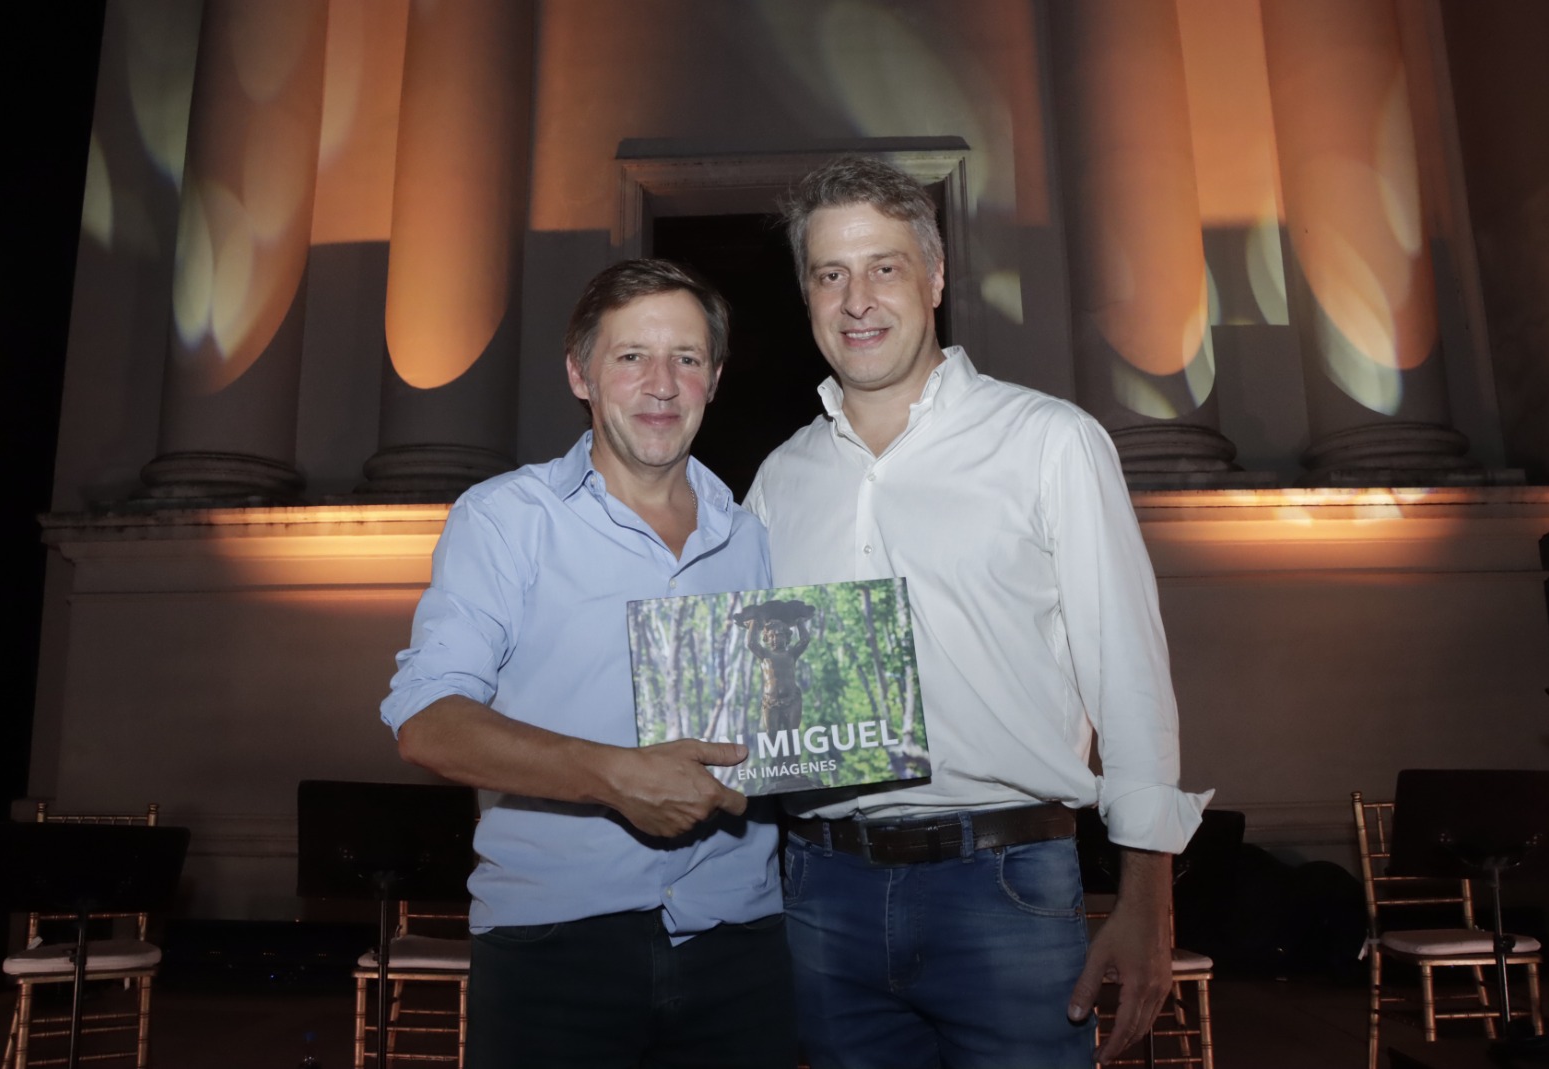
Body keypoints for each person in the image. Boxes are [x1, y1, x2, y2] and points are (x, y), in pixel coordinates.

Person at [744, 156, 1211, 1069]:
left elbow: (1128, 674)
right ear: (806, 295)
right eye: (830, 274)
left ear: (935, 277)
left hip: (1004, 885)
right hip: (823, 890)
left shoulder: (1049, 443)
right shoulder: (778, 480)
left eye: (884, 267)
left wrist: (1147, 897)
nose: (856, 300)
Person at [381, 259, 795, 1069]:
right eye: (631, 355)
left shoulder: (754, 536)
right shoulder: (507, 519)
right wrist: (615, 775)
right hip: (555, 951)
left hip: (741, 946)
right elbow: (427, 723)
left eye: (686, 357)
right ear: (581, 374)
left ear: (714, 378)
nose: (662, 384)